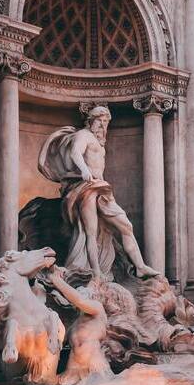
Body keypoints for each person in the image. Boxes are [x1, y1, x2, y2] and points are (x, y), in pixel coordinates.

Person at [38, 106, 160, 280]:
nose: (102, 126)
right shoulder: (83, 135)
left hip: (101, 187)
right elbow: (75, 152)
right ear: (90, 121)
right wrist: (84, 170)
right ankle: (96, 272)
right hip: (85, 187)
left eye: (105, 122)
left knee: (126, 226)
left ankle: (139, 266)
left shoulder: (99, 142)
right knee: (91, 231)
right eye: (99, 121)